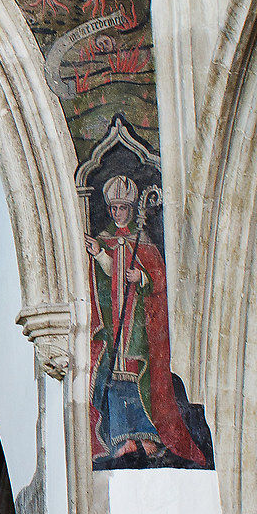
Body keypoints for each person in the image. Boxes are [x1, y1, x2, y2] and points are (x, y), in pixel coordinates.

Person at [87, 173, 209, 463]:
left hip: (137, 323)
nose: (118, 213)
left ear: (131, 211)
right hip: (114, 321)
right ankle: (123, 437)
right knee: (115, 378)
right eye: (114, 208)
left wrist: (140, 276)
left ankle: (146, 436)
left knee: (137, 373)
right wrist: (101, 255)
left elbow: (159, 277)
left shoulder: (143, 242)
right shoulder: (107, 240)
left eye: (123, 208)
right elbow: (105, 275)